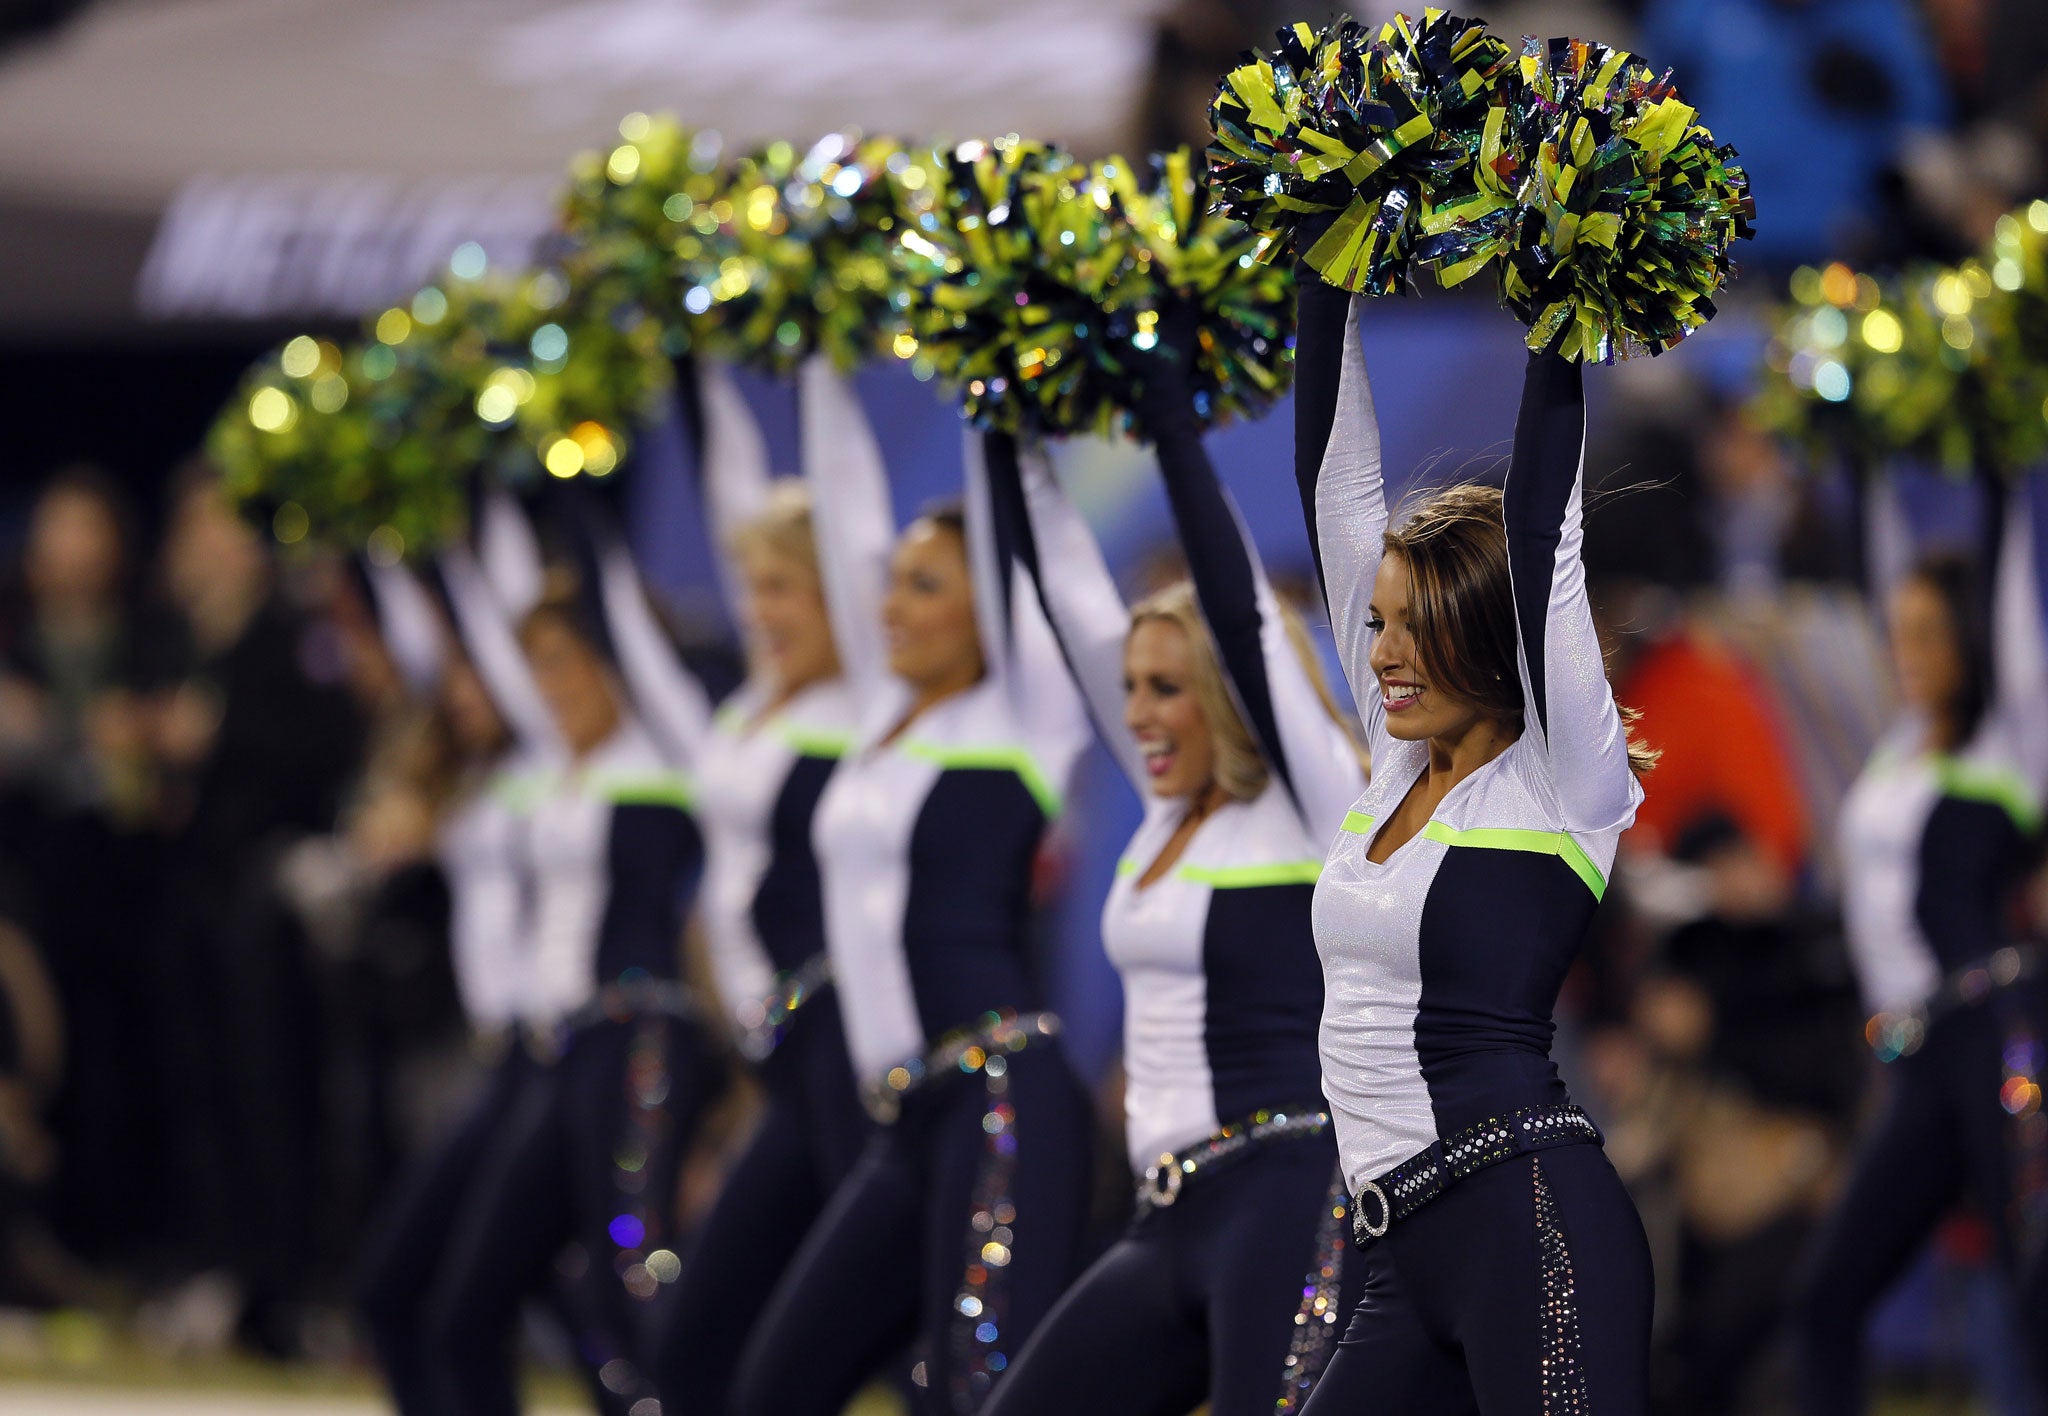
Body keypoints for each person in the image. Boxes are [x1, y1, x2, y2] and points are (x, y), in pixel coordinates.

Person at [975, 324, 1368, 1416]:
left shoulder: (1313, 800)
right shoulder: (1164, 811)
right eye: (1131, 687)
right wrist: (1000, 406)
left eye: (1166, 689)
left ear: (1231, 696)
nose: (1138, 715)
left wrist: (1168, 419)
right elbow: (1061, 587)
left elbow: (1241, 611)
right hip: (1168, 1211)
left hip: (1286, 1201)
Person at [1289, 280, 1657, 1412]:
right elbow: (1336, 496)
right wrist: (1324, 272)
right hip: (1400, 1251)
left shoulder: (1562, 784)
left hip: (1529, 1225)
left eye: (1415, 627)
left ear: (1484, 639)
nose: (1384, 654)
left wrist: (1564, 295)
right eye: (1377, 623)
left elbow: (1545, 536)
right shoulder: (1394, 755)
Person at [730, 359, 1096, 1416]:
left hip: (998, 1100)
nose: (888, 604)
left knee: (973, 1393)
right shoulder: (881, 720)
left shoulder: (1024, 721)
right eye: (888, 580)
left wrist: (993, 369)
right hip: (904, 1116)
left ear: (989, 609)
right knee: (774, 1386)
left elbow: (1017, 529)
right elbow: (842, 499)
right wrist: (813, 352)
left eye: (923, 585)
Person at [413, 523, 725, 1416]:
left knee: (637, 1287)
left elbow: (612, 608)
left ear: (615, 658)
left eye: (561, 664)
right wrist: (413, 529)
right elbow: (479, 613)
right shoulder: (556, 769)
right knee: (471, 1307)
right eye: (534, 670)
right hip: (567, 1054)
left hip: (640, 1043)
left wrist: (568, 496)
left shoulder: (669, 752)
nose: (543, 690)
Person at [640, 363, 869, 1415]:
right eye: (751, 587)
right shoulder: (746, 713)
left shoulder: (866, 713)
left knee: (851, 1333)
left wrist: (808, 351)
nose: (759, 611)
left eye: (784, 587)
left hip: (837, 1043)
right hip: (767, 1048)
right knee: (710, 1347)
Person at [1795, 472, 2048, 1415]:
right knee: (1828, 1297)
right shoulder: (1901, 743)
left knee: (2034, 1298)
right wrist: (1851, 456)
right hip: (1921, 1056)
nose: (1906, 652)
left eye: (1928, 635)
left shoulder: (2007, 747)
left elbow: (2012, 573)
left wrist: (1999, 446)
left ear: (1973, 642)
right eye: (1898, 634)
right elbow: (1879, 552)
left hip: (1994, 1037)